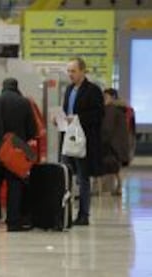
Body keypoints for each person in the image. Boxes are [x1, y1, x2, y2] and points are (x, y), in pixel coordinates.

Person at [0, 78, 37, 232]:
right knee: (15, 187)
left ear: (3, 87)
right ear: (16, 87)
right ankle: (13, 222)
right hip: (15, 155)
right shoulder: (24, 103)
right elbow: (33, 131)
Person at [62, 57, 104, 226]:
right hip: (68, 138)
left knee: (83, 177)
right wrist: (61, 119)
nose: (70, 74)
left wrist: (78, 118)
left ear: (82, 71)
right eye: (69, 71)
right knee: (66, 175)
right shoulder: (69, 89)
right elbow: (67, 111)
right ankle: (65, 212)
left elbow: (98, 114)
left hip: (84, 140)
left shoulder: (93, 90)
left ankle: (83, 214)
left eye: (73, 71)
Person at [101, 88, 130, 196]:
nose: (103, 99)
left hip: (112, 143)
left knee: (110, 166)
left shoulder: (110, 110)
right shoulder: (120, 109)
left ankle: (105, 189)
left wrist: (102, 140)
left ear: (112, 97)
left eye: (105, 97)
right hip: (119, 143)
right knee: (116, 168)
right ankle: (119, 187)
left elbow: (107, 128)